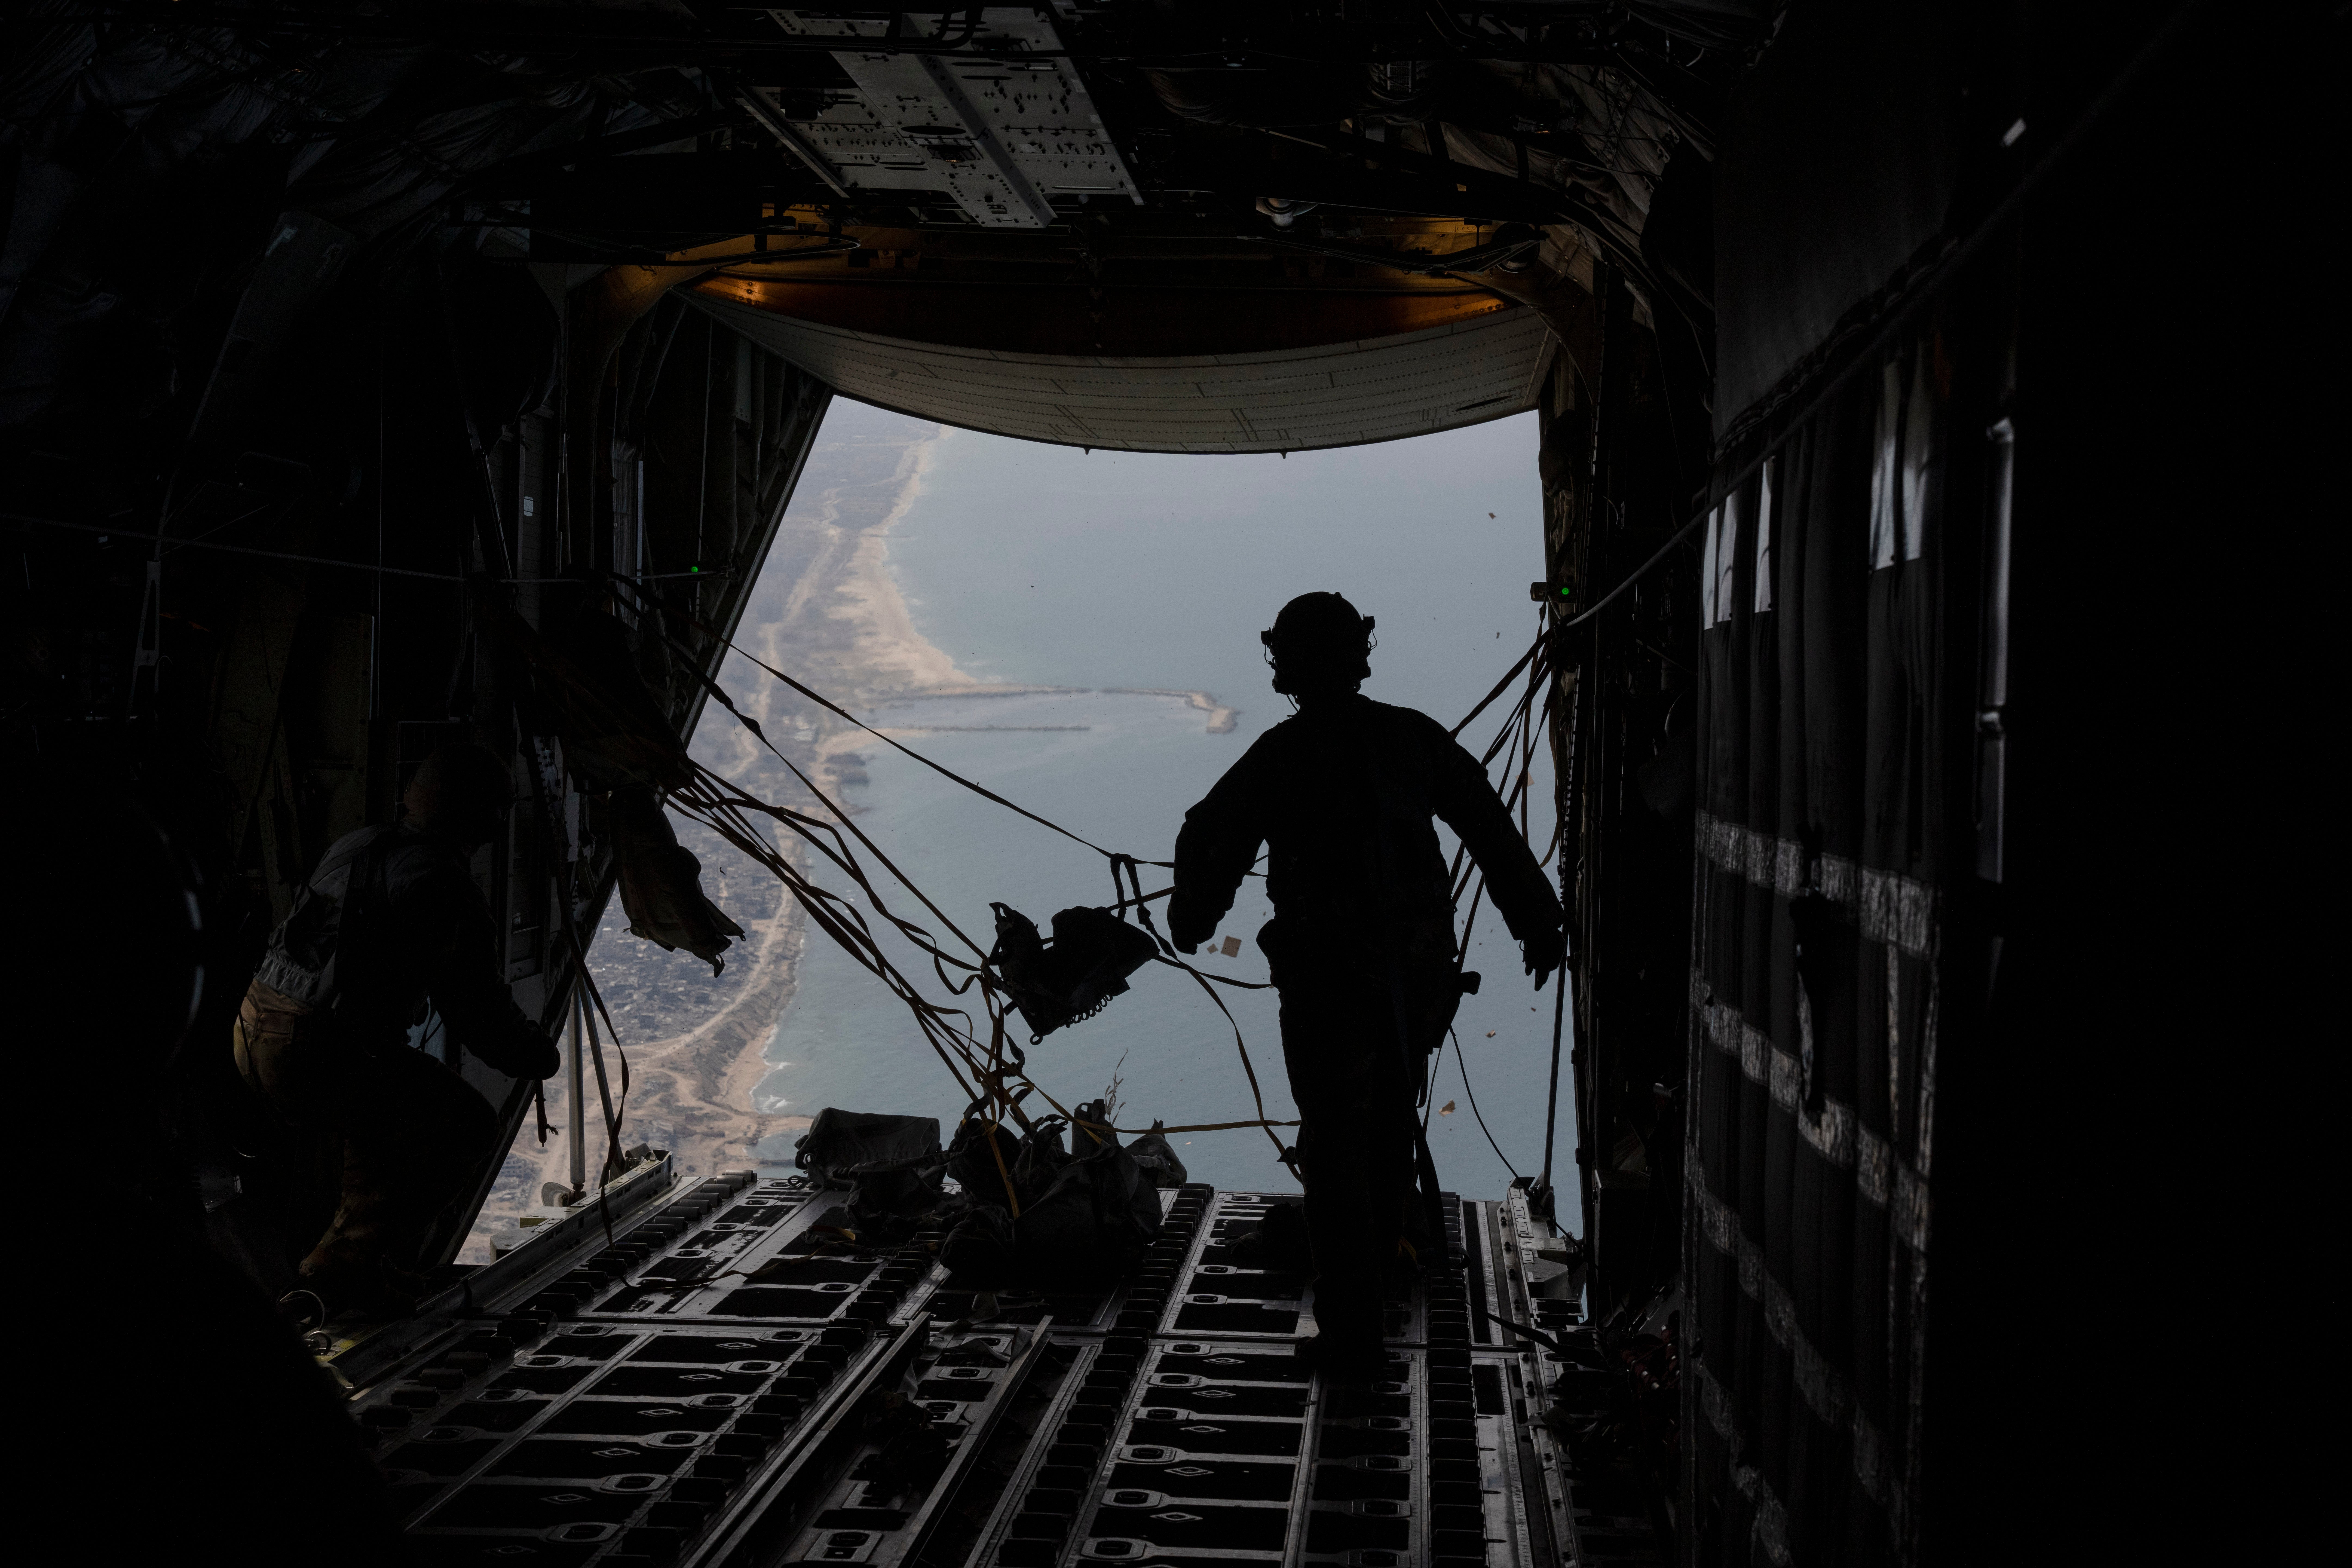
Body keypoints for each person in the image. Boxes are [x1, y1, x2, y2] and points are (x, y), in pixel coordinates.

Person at [1168, 592, 1564, 1379]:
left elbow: (1209, 837)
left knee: (1335, 1145)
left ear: (1286, 667)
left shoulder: (1281, 755)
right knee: (1386, 1131)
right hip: (1415, 981)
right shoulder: (1411, 737)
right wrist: (1538, 923)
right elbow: (1488, 826)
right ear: (1360, 657)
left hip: (1328, 984)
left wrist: (1193, 918)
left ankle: (1352, 1333)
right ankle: (1370, 1300)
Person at [233, 742, 561, 1312]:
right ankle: (336, 1276)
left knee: (379, 1119)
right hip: (319, 1047)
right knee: (463, 1125)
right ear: (482, 818)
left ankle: (362, 1269)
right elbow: (479, 1013)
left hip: (254, 1029)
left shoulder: (360, 843)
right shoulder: (441, 883)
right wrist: (537, 1055)